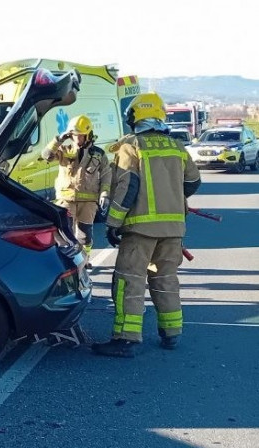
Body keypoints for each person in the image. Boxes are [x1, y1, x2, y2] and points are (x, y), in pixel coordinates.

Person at [92, 93, 201, 358]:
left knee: (129, 282)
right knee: (166, 279)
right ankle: (171, 333)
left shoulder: (132, 146)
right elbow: (193, 182)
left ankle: (125, 339)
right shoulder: (177, 147)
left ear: (134, 119)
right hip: (173, 230)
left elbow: (128, 187)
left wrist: (113, 224)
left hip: (140, 231)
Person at [42, 115, 111, 269]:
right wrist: (58, 139)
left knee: (85, 236)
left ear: (87, 135)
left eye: (79, 135)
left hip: (88, 201)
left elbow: (106, 175)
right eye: (73, 135)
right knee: (65, 234)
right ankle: (65, 262)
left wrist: (104, 194)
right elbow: (46, 155)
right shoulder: (64, 150)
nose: (76, 138)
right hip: (66, 199)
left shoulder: (98, 154)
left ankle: (84, 261)